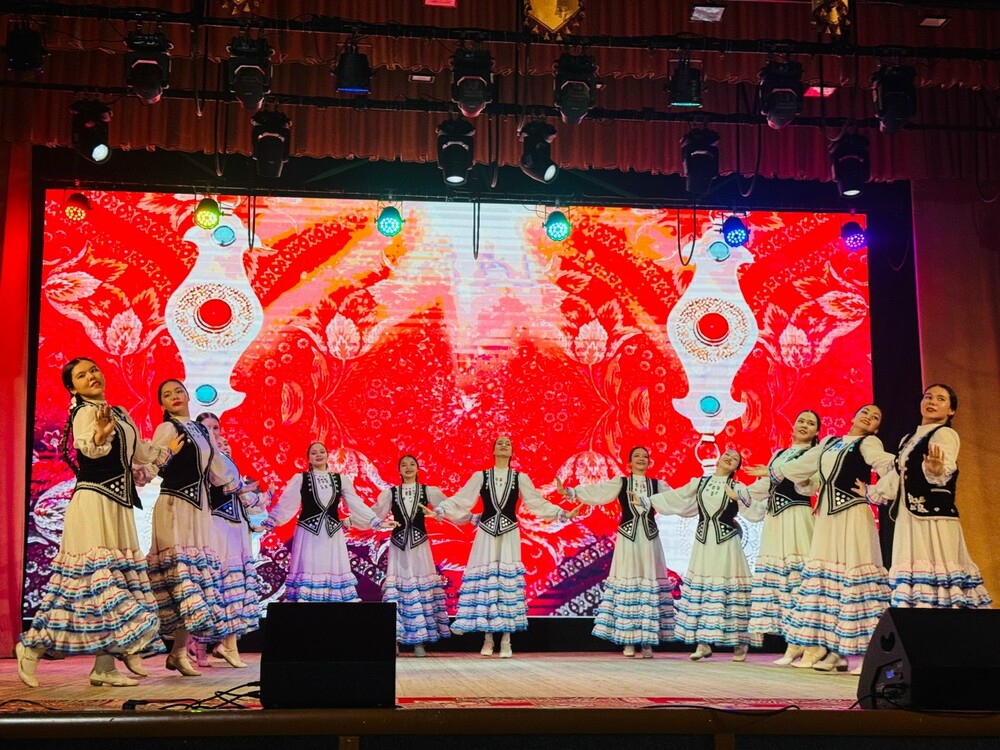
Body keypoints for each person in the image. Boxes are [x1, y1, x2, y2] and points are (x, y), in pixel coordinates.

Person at [16, 358, 183, 688]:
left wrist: (166, 452)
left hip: (118, 506)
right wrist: (100, 434)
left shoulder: (119, 412)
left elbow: (140, 453)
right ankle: (31, 649)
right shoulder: (84, 413)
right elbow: (90, 449)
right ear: (72, 387)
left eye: (93, 370)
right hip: (93, 504)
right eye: (81, 375)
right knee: (91, 585)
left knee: (113, 586)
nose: (91, 376)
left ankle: (104, 667)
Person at [747, 404, 894, 674]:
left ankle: (866, 655)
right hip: (827, 518)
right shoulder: (830, 443)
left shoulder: (868, 443)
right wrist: (777, 473)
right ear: (853, 416)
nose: (868, 417)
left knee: (854, 579)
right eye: (864, 412)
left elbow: (889, 465)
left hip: (852, 515)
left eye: (875, 417)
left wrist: (874, 491)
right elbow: (806, 464)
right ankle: (836, 652)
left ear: (876, 429)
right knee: (829, 584)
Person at [433, 435, 578, 658]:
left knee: (506, 585)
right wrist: (442, 508)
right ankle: (488, 638)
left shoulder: (520, 478)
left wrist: (561, 513)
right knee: (488, 584)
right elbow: (462, 499)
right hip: (486, 533)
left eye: (507, 444)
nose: (503, 446)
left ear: (511, 452)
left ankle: (507, 640)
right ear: (493, 450)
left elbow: (535, 502)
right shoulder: (481, 476)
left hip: (509, 533)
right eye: (499, 443)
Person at [862, 385, 991, 609]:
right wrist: (871, 491)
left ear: (951, 410)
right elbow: (899, 475)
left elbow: (943, 470)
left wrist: (935, 470)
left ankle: (946, 617)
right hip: (909, 514)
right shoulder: (908, 439)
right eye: (928, 397)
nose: (932, 401)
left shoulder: (945, 434)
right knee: (914, 567)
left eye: (941, 399)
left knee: (938, 566)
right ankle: (917, 615)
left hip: (933, 516)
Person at [146, 379, 242, 678]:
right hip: (174, 506)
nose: (174, 396)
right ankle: (150, 648)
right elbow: (152, 465)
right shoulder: (168, 429)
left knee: (194, 582)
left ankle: (177, 652)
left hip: (198, 510)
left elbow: (217, 471)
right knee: (179, 578)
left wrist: (235, 483)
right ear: (162, 404)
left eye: (178, 391)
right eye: (167, 395)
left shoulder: (201, 430)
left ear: (188, 395)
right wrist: (166, 454)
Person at [556, 446, 674, 658]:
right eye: (636, 456)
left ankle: (647, 641)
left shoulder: (657, 485)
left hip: (650, 540)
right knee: (628, 580)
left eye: (645, 456)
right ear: (629, 463)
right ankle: (627, 639)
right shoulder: (621, 482)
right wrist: (572, 492)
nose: (641, 459)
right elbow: (598, 491)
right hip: (628, 538)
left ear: (649, 462)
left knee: (649, 581)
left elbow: (675, 500)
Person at [645, 449, 761, 662]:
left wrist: (740, 498)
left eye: (735, 458)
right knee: (705, 591)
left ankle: (740, 642)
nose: (729, 458)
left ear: (737, 468)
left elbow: (755, 510)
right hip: (704, 544)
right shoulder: (700, 483)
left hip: (726, 545)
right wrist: (648, 501)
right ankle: (703, 643)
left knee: (729, 591)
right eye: (727, 455)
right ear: (718, 459)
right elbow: (677, 497)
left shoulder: (737, 487)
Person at [187, 412, 268, 669]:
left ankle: (220, 644)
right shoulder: (202, 456)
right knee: (218, 582)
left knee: (233, 584)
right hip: (216, 523)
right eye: (207, 428)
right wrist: (245, 490)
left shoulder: (222, 458)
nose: (213, 432)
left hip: (235, 525)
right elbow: (222, 485)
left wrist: (256, 499)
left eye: (216, 428)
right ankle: (209, 645)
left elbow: (238, 493)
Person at [745, 410, 821, 665]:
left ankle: (810, 643)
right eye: (801, 421)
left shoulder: (814, 454)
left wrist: (778, 473)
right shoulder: (779, 454)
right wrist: (738, 493)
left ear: (816, 431)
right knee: (782, 583)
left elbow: (809, 484)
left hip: (796, 517)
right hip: (776, 521)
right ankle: (793, 642)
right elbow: (764, 486)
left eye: (811, 423)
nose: (804, 425)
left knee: (798, 581)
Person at [263, 441, 376, 603]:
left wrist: (374, 520)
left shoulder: (340, 479)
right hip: (309, 532)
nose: (318, 455)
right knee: (310, 565)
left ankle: (333, 604)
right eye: (314, 453)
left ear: (327, 455)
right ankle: (307, 601)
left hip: (332, 533)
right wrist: (271, 521)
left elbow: (355, 503)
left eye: (321, 452)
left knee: (332, 566)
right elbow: (288, 503)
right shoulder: (301, 478)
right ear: (308, 458)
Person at [370, 454, 450, 656]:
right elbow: (375, 514)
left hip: (419, 546)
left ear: (418, 468)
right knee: (399, 589)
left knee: (420, 588)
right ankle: (396, 639)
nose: (408, 467)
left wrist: (437, 513)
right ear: (398, 470)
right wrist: (378, 523)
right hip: (399, 546)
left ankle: (419, 641)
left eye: (412, 464)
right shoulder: (391, 494)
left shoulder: (427, 491)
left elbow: (448, 506)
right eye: (404, 465)